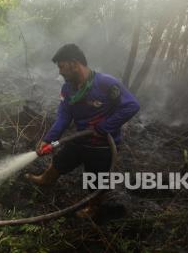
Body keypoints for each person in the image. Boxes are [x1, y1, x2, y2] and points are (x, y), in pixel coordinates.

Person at [25, 44, 140, 217]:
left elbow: (131, 106)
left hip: (102, 146)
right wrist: (49, 140)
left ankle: (93, 208)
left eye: (62, 67)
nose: (60, 72)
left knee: (95, 180)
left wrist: (103, 128)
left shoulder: (106, 84)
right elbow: (64, 117)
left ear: (74, 63)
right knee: (61, 160)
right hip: (80, 139)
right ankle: (46, 179)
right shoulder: (68, 89)